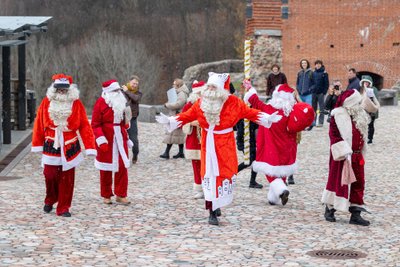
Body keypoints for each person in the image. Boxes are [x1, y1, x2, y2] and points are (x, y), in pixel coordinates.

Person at [156, 72, 283, 226]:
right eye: (208, 86)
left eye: (213, 86)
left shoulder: (233, 102)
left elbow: (249, 113)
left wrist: (267, 118)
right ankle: (212, 210)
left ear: (221, 88)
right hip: (208, 144)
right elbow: (187, 115)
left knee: (224, 174)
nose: (209, 89)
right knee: (209, 175)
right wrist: (170, 120)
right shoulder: (201, 102)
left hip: (225, 144)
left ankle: (217, 203)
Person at [31, 74, 96, 217]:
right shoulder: (46, 102)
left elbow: (84, 125)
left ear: (69, 89)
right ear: (54, 88)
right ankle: (51, 198)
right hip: (51, 141)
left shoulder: (76, 104)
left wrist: (90, 146)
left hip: (69, 144)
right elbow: (39, 123)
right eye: (59, 89)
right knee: (50, 174)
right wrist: (37, 143)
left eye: (64, 89)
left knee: (67, 178)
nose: (61, 92)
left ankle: (63, 207)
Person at [244, 83, 315, 206]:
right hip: (287, 146)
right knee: (282, 170)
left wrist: (250, 88)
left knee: (270, 170)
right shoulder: (292, 111)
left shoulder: (269, 109)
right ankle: (274, 198)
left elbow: (255, 101)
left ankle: (281, 190)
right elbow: (304, 111)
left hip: (271, 145)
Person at [321, 89, 371, 226]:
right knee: (338, 182)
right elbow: (334, 136)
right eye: (357, 102)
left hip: (357, 155)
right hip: (342, 156)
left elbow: (372, 109)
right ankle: (330, 208)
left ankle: (356, 213)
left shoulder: (359, 115)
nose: (359, 104)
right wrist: (344, 151)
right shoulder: (337, 115)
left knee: (359, 183)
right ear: (350, 103)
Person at [91, 80, 133, 205]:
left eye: (118, 90)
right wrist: (101, 139)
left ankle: (121, 194)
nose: (118, 92)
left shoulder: (122, 102)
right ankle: (106, 194)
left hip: (119, 138)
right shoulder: (100, 103)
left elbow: (123, 122)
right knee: (105, 168)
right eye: (115, 90)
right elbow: (95, 124)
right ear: (108, 92)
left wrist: (126, 122)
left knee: (122, 166)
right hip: (106, 139)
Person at [182, 80, 205, 199]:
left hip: (205, 137)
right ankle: (199, 188)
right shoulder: (189, 105)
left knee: (206, 164)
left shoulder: (208, 104)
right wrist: (192, 122)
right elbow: (183, 119)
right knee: (196, 164)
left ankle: (208, 187)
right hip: (193, 137)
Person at [159, 78, 189, 159]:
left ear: (178, 85)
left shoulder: (182, 93)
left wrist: (167, 105)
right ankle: (181, 152)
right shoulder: (179, 92)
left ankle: (167, 152)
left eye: (174, 84)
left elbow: (178, 104)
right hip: (177, 116)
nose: (173, 85)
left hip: (177, 116)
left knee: (171, 134)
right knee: (178, 135)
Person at [122, 75, 142, 164]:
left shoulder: (138, 93)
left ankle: (135, 154)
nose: (134, 85)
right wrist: (125, 91)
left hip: (132, 118)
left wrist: (127, 91)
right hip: (122, 118)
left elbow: (135, 99)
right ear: (129, 82)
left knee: (134, 139)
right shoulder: (121, 91)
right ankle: (122, 156)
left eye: (136, 84)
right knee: (121, 138)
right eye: (133, 83)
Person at [359, 75, 380, 144]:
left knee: (371, 125)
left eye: (367, 82)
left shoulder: (372, 89)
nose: (365, 83)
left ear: (369, 83)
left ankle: (370, 138)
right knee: (363, 124)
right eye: (364, 82)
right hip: (363, 110)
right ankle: (363, 137)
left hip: (371, 110)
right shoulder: (361, 89)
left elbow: (373, 100)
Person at [296, 59, 315, 130]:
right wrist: (298, 89)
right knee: (301, 110)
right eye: (302, 63)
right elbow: (297, 83)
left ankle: (311, 123)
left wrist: (310, 89)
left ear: (307, 64)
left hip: (308, 94)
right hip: (301, 94)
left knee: (309, 109)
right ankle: (303, 124)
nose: (304, 64)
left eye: (305, 63)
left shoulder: (311, 72)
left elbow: (314, 84)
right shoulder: (299, 73)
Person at [312, 60, 329, 127]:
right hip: (314, 93)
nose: (318, 65)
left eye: (319, 64)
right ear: (315, 65)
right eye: (316, 64)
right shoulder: (313, 73)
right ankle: (313, 121)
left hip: (321, 93)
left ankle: (320, 122)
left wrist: (324, 92)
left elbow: (326, 84)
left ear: (321, 65)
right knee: (314, 108)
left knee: (321, 108)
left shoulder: (324, 73)